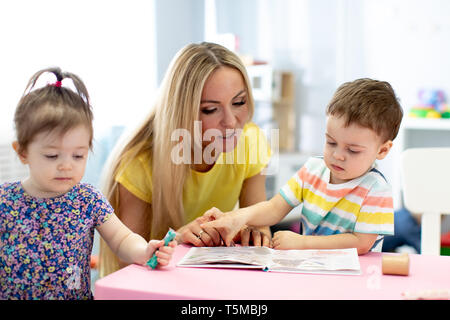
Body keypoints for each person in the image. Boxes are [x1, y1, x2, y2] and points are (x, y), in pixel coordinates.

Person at [0, 67, 176, 300]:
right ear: (22, 152)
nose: (66, 166)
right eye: (52, 156)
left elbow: (121, 238)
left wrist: (144, 250)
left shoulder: (87, 198)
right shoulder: (4, 200)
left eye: (78, 156)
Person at [98, 42, 272, 277]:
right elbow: (126, 265)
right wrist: (178, 239)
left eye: (238, 102)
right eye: (211, 109)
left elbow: (259, 223)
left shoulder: (251, 141)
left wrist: (249, 231)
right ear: (183, 112)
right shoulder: (140, 164)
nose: (231, 121)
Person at [202, 78, 404, 255]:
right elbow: (274, 208)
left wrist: (303, 242)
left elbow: (360, 244)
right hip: (313, 267)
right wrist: (236, 217)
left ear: (383, 150)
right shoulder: (313, 169)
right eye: (331, 142)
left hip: (355, 276)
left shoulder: (376, 188)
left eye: (353, 150)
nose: (337, 155)